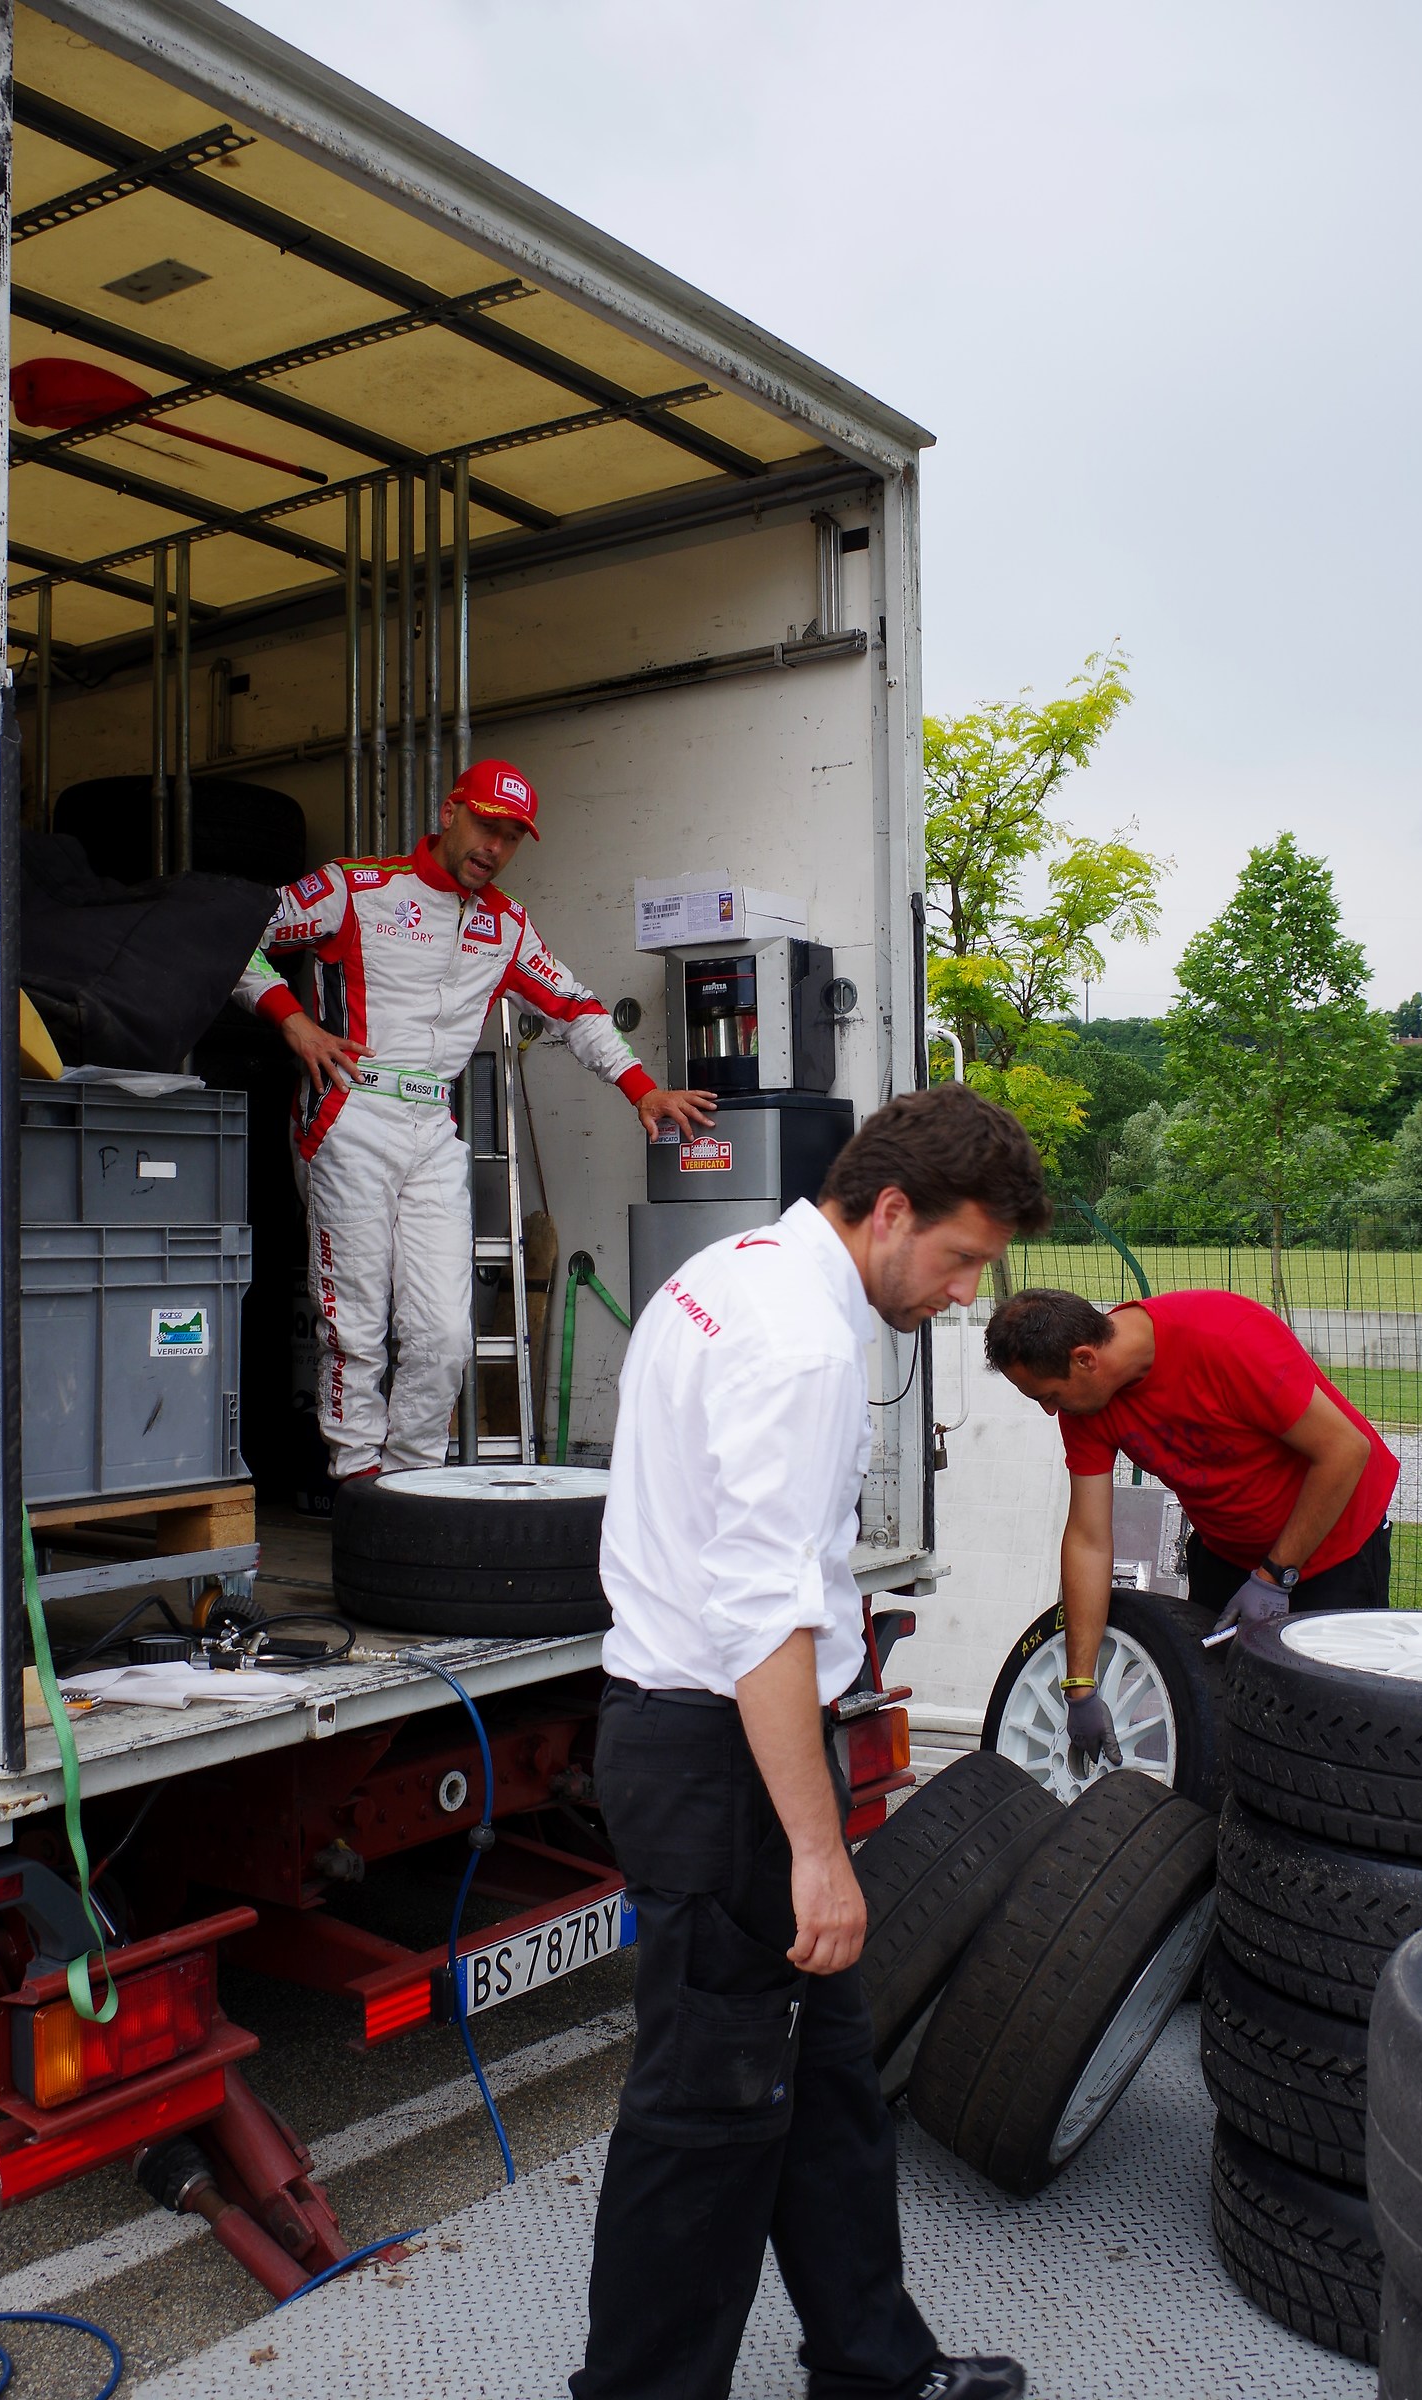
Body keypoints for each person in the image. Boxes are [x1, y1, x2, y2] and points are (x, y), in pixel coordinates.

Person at [573, 1085, 1051, 2400]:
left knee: (828, 2083)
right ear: (888, 1210)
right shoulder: (801, 1347)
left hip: (708, 1741)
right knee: (705, 2112)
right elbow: (762, 1616)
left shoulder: (726, 1270)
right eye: (959, 1258)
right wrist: (814, 1850)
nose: (962, 1295)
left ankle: (873, 2367)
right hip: (723, 1759)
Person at [234, 758, 713, 1479]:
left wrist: (639, 1088)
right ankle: (358, 1481)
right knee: (354, 1326)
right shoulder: (354, 887)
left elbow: (576, 1007)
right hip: (349, 1112)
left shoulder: (506, 925)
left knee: (444, 1337)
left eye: (512, 836)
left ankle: (412, 1487)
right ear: (449, 812)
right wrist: (293, 1022)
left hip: (433, 1127)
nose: (495, 846)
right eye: (487, 825)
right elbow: (236, 936)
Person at [984, 1286, 1400, 1768]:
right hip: (1228, 1552)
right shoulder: (1089, 1402)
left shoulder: (1225, 1339)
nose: (1050, 1411)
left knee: (1336, 1731)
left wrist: (1275, 1575)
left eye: (1049, 1396)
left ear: (1084, 1359)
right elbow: (1088, 1538)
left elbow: (1345, 1450)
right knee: (1224, 1722)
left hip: (1336, 1546)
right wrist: (1080, 1685)